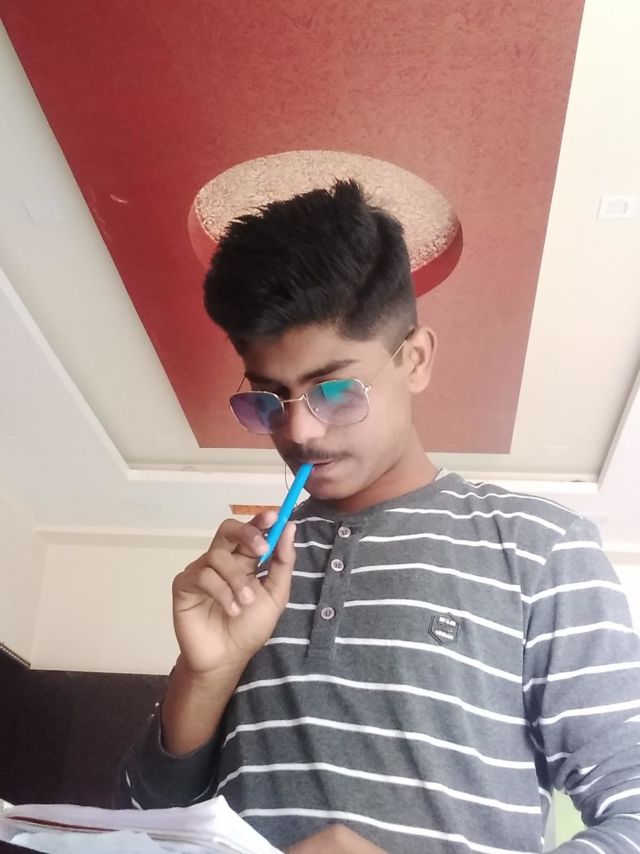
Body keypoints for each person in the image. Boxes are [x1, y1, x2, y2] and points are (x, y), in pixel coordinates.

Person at [118, 180, 640, 853]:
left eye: (336, 390)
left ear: (415, 360)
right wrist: (206, 675)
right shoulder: (252, 566)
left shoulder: (539, 546)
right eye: (269, 400)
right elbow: (142, 815)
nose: (300, 432)